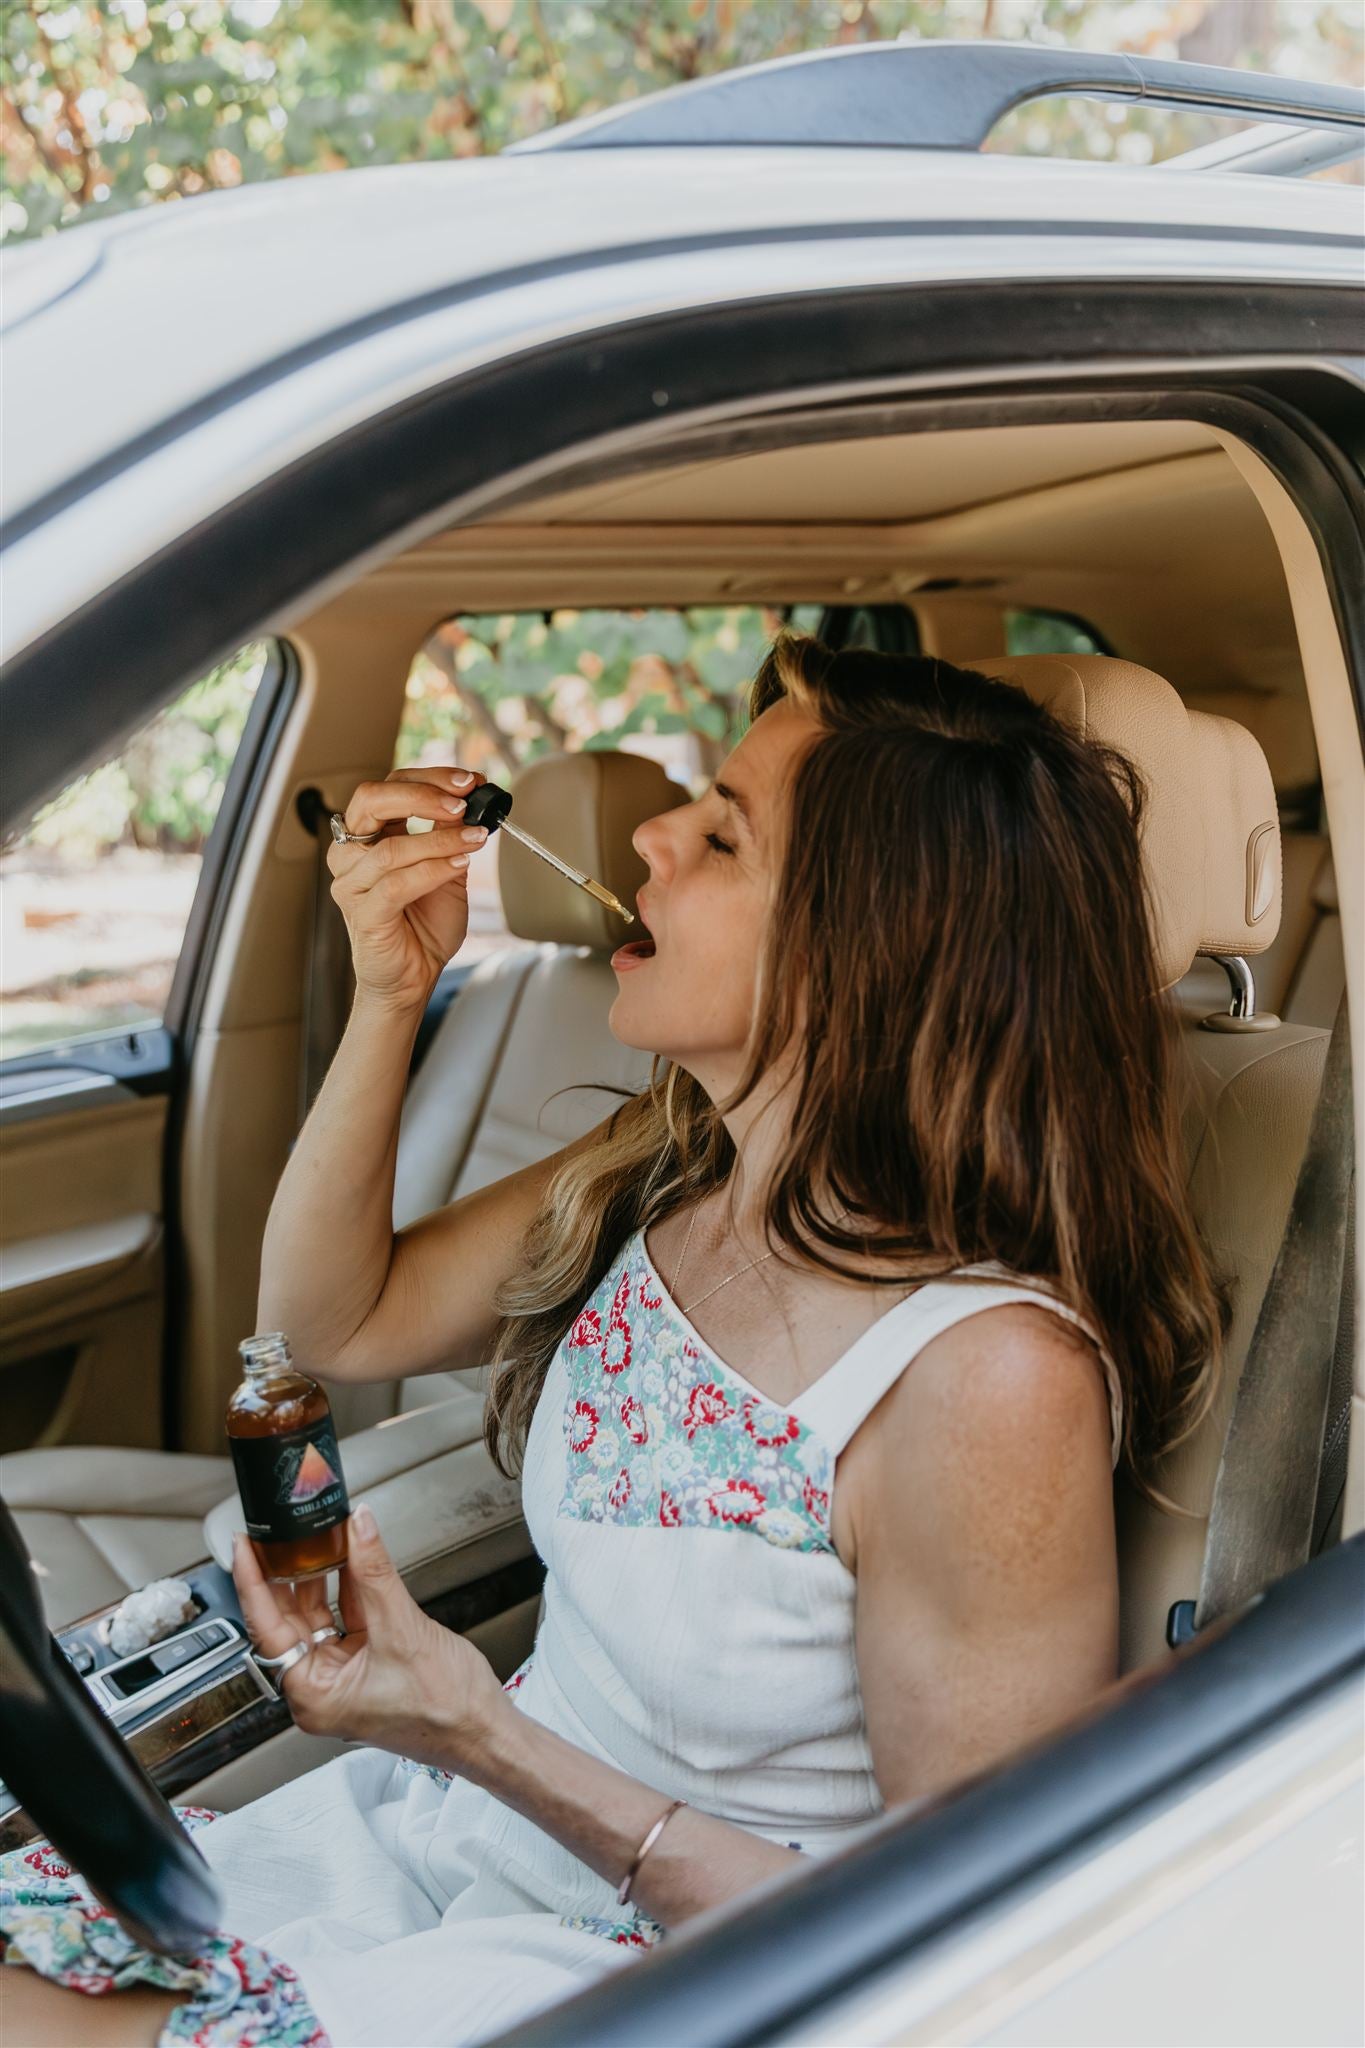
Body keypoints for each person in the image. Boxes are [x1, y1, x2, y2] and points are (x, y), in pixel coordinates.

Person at [1, 636, 1224, 2048]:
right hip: (447, 1840)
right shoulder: (679, 1158)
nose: (644, 829)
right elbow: (330, 1321)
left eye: (720, 830)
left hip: (673, 1959)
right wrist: (390, 998)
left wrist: (472, 1727)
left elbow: (965, 1938)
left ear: (863, 944)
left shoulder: (985, 1378)